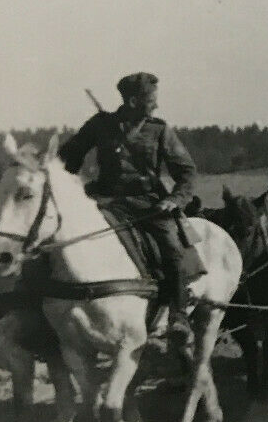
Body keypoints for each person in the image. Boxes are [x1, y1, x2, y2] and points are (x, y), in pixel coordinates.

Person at [57, 72, 202, 340]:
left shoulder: (159, 130)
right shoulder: (100, 125)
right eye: (151, 99)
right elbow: (68, 159)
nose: (156, 105)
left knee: (172, 247)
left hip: (148, 203)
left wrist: (174, 199)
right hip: (104, 199)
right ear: (134, 101)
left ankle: (179, 316)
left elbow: (187, 172)